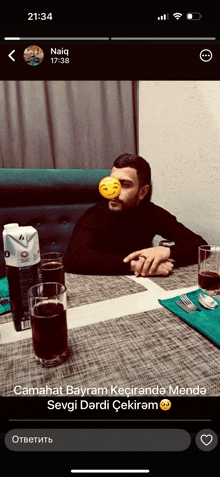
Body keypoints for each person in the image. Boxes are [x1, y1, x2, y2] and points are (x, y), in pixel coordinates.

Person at [64, 153, 207, 276]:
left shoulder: (153, 213)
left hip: (144, 284)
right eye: (112, 183)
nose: (114, 192)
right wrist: (134, 265)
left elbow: (199, 245)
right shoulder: (95, 214)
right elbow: (73, 258)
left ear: (143, 192)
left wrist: (166, 251)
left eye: (125, 184)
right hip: (100, 283)